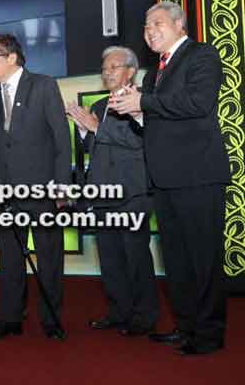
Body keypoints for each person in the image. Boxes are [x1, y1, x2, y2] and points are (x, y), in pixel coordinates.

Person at [109, 1, 231, 355]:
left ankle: (208, 334)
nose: (149, 32)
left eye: (156, 24)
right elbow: (158, 122)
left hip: (197, 175)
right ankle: (187, 325)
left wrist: (144, 102)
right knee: (176, 261)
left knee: (203, 259)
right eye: (146, 28)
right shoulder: (153, 73)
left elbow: (198, 103)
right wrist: (137, 112)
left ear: (179, 24)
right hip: (163, 179)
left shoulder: (202, 55)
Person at [0, 34, 71, 340]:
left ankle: (51, 319)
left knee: (48, 258)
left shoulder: (42, 85)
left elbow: (61, 139)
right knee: (10, 258)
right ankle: (10, 318)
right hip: (5, 193)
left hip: (42, 190)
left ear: (12, 58)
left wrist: (61, 187)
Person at [67, 46, 159, 337]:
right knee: (110, 260)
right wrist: (84, 130)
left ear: (131, 71)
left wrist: (96, 129)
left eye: (113, 67)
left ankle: (144, 318)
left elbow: (138, 142)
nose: (107, 73)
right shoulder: (98, 106)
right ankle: (119, 313)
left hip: (132, 194)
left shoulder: (142, 102)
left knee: (136, 259)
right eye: (104, 68)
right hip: (103, 197)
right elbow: (92, 148)